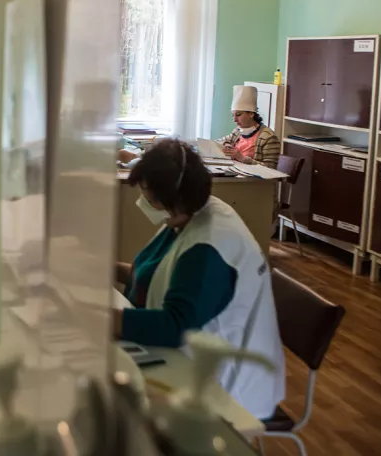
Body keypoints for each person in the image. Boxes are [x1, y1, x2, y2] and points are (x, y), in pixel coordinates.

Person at [113, 138, 285, 419]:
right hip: (188, 359)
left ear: (172, 198)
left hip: (227, 387)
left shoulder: (210, 245)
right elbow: (151, 272)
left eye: (147, 195)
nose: (143, 201)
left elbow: (176, 326)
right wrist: (102, 269)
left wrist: (103, 319)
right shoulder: (186, 216)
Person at [219, 85, 281, 169]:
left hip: (255, 177)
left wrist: (242, 158)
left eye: (238, 115)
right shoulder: (238, 131)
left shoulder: (268, 137)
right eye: (233, 115)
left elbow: (270, 168)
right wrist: (227, 144)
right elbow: (220, 141)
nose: (234, 120)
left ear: (251, 114)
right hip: (236, 171)